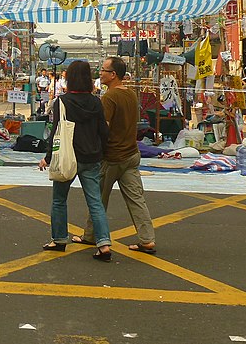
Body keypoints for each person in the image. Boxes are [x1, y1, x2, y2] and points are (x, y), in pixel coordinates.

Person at [74, 56, 157, 254]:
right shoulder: (131, 94)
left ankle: (92, 236)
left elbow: (104, 128)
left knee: (97, 199)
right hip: (131, 154)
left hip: (112, 157)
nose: (100, 73)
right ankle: (147, 239)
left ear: (113, 75)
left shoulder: (109, 97)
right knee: (137, 199)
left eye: (103, 70)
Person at [38, 60, 112, 261]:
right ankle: (104, 243)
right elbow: (103, 132)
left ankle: (59, 239)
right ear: (88, 78)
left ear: (69, 79)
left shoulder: (62, 102)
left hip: (66, 158)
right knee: (95, 202)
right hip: (92, 158)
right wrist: (104, 153)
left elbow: (55, 133)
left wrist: (47, 157)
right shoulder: (96, 101)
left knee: (59, 200)